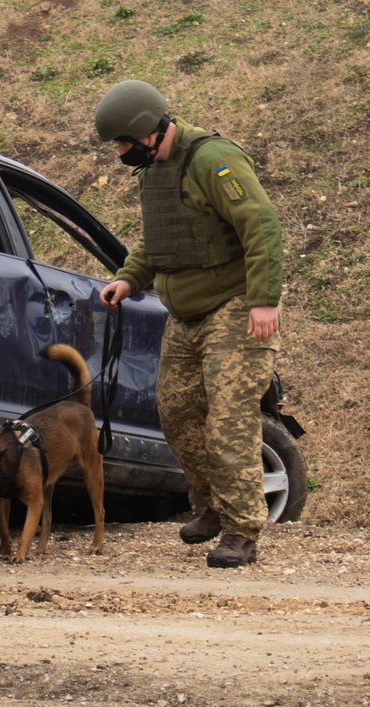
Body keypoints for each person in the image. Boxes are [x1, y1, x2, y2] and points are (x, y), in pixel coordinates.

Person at [94, 80, 282, 568]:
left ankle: (241, 530)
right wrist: (129, 280)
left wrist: (264, 300)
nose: (119, 152)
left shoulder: (212, 160)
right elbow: (160, 240)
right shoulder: (154, 171)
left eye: (123, 142)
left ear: (147, 131)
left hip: (234, 307)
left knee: (228, 421)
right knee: (176, 417)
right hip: (184, 314)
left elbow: (260, 224)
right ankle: (214, 507)